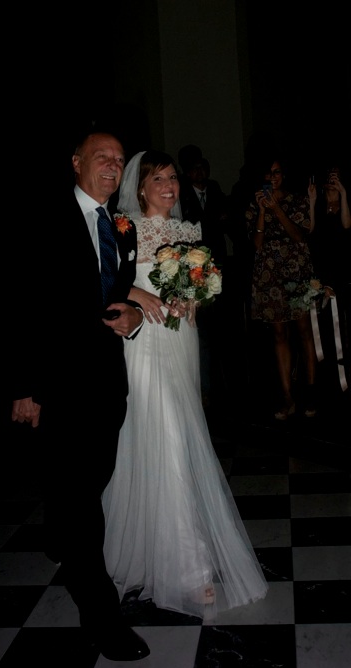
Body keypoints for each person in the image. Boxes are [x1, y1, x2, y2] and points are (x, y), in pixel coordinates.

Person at [101, 150, 269, 621]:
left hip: (181, 341)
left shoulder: (189, 231)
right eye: (158, 179)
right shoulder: (124, 227)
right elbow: (104, 279)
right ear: (140, 186)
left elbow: (198, 284)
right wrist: (137, 292)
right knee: (168, 439)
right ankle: (188, 568)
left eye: (172, 178)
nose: (169, 186)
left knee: (176, 435)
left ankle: (142, 546)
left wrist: (195, 297)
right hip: (144, 343)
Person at [11, 130, 149, 661]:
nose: (113, 165)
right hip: (60, 385)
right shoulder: (45, 219)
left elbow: (116, 292)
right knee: (83, 507)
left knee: (89, 483)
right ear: (76, 162)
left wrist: (134, 317)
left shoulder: (122, 226)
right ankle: (102, 617)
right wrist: (25, 387)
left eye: (119, 158)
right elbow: (23, 303)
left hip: (107, 384)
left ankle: (58, 532)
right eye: (101, 157)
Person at [245, 157, 319, 419]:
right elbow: (256, 243)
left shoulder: (297, 200)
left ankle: (310, 391)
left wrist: (276, 208)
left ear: (283, 175)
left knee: (304, 331)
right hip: (269, 274)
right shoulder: (254, 204)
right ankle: (287, 395)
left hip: (296, 271)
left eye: (276, 172)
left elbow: (299, 236)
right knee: (279, 335)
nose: (272, 177)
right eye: (268, 173)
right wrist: (262, 211)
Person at [177, 145, 232, 409]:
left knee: (223, 328)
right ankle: (204, 388)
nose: (201, 172)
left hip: (217, 265)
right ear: (187, 172)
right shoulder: (182, 195)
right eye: (195, 168)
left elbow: (225, 219)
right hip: (195, 268)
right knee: (201, 332)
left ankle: (226, 386)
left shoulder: (216, 189)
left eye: (203, 167)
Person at [306, 163, 351, 395]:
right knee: (323, 325)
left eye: (337, 176)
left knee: (342, 323)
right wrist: (312, 201)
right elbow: (310, 230)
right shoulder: (320, 203)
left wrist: (343, 194)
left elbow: (346, 225)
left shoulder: (345, 202)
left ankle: (346, 373)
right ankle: (328, 376)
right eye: (330, 175)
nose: (332, 179)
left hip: (343, 271)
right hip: (322, 270)